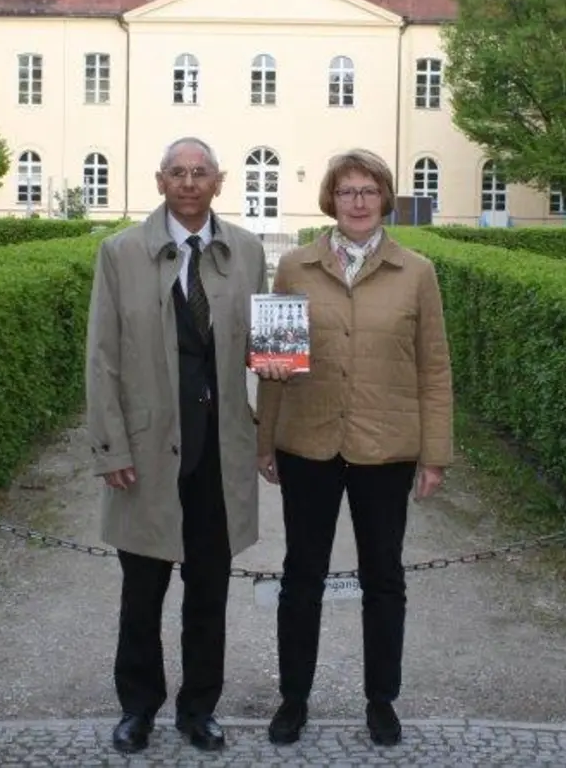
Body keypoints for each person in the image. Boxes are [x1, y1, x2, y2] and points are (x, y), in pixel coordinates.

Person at [251, 148, 454, 747]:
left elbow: (434, 368)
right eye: (347, 192)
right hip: (308, 442)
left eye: (368, 191)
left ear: (385, 198)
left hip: (385, 447)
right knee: (301, 576)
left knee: (384, 579)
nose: (358, 202)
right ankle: (293, 698)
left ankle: (381, 701)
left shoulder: (416, 272)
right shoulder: (295, 266)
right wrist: (266, 441)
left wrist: (435, 453)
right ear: (331, 200)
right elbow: (272, 363)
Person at [84, 136, 267, 754]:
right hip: (148, 447)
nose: (189, 182)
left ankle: (199, 709)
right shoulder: (120, 252)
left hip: (218, 450)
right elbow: (103, 355)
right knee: (142, 592)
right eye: (178, 173)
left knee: (209, 592)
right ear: (159, 181)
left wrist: (276, 364)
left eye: (201, 173)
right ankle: (138, 707)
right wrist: (110, 447)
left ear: (219, 182)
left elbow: (257, 345)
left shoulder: (246, 251)